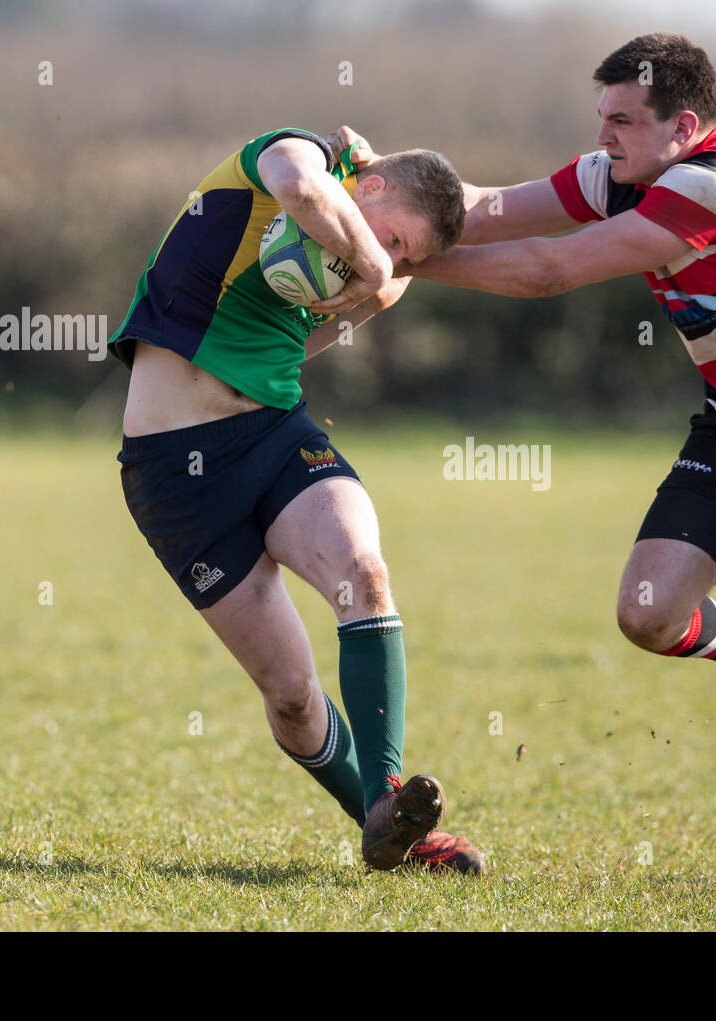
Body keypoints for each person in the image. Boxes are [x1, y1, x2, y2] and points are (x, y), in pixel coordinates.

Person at [318, 35, 716, 892]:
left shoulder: (715, 184)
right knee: (647, 613)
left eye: (624, 121)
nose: (605, 137)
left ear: (687, 126)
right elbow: (483, 210)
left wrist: (396, 256)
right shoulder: (618, 174)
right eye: (601, 119)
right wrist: (376, 197)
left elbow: (550, 267)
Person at [109, 126, 483, 874]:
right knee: (290, 696)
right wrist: (375, 264)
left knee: (364, 572)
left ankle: (388, 798)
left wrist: (364, 299)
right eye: (397, 239)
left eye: (407, 255)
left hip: (276, 434)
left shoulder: (326, 266)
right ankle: (382, 824)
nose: (391, 260)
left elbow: (297, 336)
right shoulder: (297, 151)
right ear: (370, 187)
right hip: (174, 476)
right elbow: (303, 188)